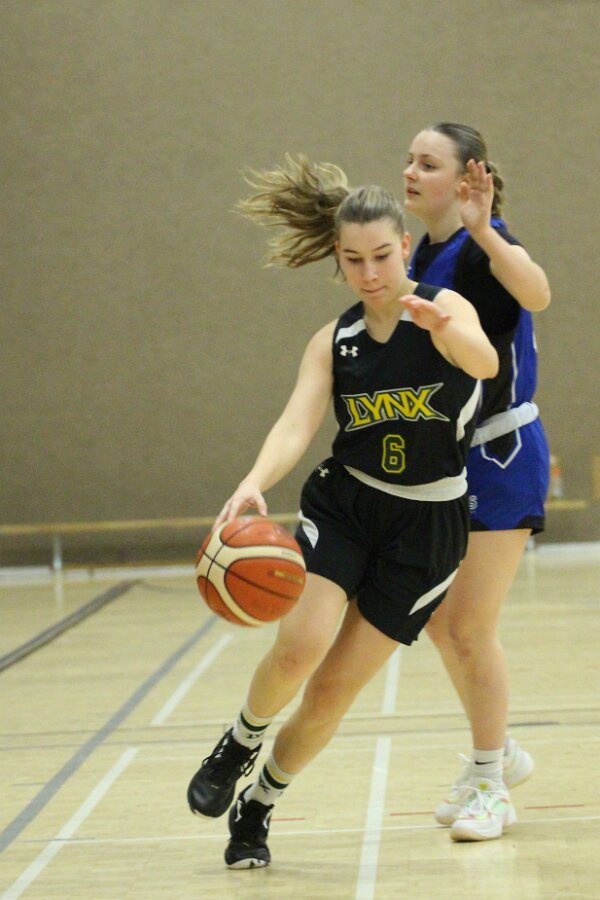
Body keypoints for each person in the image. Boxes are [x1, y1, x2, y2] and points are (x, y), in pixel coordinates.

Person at [187, 154, 498, 868]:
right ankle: (238, 741)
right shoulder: (335, 340)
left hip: (428, 529)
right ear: (339, 259)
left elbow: (484, 363)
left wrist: (442, 328)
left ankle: (259, 803)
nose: (370, 273)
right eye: (353, 260)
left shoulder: (447, 309)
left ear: (404, 246)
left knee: (330, 691)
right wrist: (253, 482)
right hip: (348, 504)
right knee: (300, 646)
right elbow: (296, 423)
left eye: (382, 255)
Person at [403, 122, 551, 840]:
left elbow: (539, 294)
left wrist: (487, 229)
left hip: (503, 453)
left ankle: (491, 781)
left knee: (467, 625)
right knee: (439, 621)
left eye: (427, 163)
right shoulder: (423, 254)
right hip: (454, 459)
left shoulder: (485, 246)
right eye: (409, 160)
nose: (410, 171)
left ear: (467, 178)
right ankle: (501, 752)